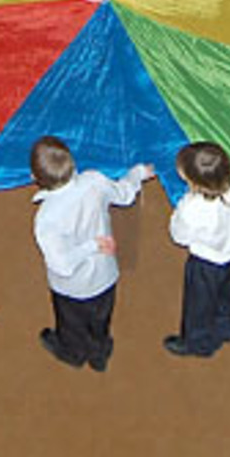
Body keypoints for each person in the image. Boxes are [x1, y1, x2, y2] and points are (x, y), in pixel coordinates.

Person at [30, 137, 153, 371]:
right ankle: (99, 355)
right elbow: (124, 194)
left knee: (71, 323)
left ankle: (73, 352)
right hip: (104, 276)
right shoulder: (94, 181)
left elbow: (62, 265)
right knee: (101, 320)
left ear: (35, 178)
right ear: (72, 163)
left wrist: (91, 246)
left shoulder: (46, 219)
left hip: (71, 289)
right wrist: (137, 173)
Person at [163, 140, 230, 359]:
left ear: (194, 183)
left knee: (199, 305)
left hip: (206, 263)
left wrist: (180, 211)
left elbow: (179, 236)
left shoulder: (192, 207)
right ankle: (227, 326)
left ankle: (199, 342)